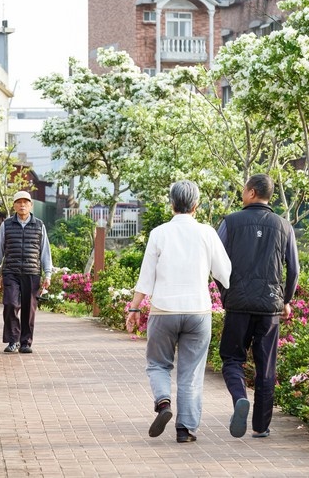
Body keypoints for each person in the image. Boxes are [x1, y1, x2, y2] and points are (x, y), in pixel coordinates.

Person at [126, 180, 231, 443]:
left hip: (164, 310)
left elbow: (146, 276)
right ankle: (185, 429)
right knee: (192, 372)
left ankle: (163, 403)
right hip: (198, 311)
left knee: (158, 364)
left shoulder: (159, 233)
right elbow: (225, 274)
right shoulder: (207, 233)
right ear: (196, 205)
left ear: (171, 203)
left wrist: (135, 307)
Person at [216, 174, 299, 439]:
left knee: (232, 359)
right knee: (266, 368)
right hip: (270, 309)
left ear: (251, 192)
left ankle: (240, 397)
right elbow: (294, 270)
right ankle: (261, 426)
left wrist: (226, 295)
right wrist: (285, 300)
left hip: (238, 305)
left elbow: (216, 264)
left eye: (243, 189)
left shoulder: (230, 222)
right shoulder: (284, 226)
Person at [0, 191, 52, 354]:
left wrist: (48, 274)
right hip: (11, 271)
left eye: (25, 202)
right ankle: (13, 340)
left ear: (31, 205)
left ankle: (25, 342)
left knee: (29, 308)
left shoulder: (39, 225)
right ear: (14, 205)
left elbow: (45, 251)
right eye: (19, 202)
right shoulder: (7, 225)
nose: (22, 205)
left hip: (32, 272)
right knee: (10, 304)